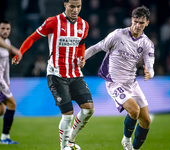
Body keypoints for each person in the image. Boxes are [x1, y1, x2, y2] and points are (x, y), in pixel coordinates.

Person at [12, 0, 94, 149]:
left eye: (78, 6)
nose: (76, 10)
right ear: (65, 4)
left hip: (75, 73)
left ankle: (71, 140)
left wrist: (82, 58)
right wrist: (20, 53)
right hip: (56, 74)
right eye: (72, 6)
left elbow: (81, 45)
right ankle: (64, 147)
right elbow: (32, 37)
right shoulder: (53, 22)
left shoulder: (84, 25)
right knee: (68, 114)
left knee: (89, 109)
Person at [85, 6, 154, 150]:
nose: (137, 25)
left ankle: (134, 149)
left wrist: (150, 72)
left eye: (141, 23)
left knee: (146, 121)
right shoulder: (118, 35)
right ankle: (126, 140)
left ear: (147, 23)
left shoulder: (147, 43)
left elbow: (149, 63)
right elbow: (97, 47)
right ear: (131, 20)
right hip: (114, 82)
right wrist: (81, 58)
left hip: (132, 83)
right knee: (134, 111)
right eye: (135, 21)